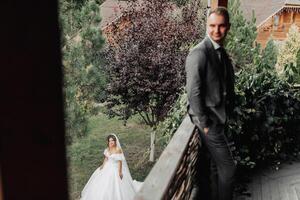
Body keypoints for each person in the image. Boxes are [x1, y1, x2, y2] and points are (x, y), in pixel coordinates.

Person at [185, 7, 236, 200]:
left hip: (219, 119)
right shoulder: (198, 53)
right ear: (207, 26)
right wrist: (204, 124)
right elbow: (193, 91)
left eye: (221, 26)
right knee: (229, 169)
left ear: (228, 27)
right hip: (209, 124)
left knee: (216, 168)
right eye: (212, 26)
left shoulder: (219, 51)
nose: (216, 30)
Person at [80, 134, 143, 200]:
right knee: (101, 182)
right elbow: (106, 158)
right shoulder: (108, 149)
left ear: (115, 141)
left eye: (112, 140)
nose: (111, 142)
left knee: (115, 182)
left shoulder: (118, 150)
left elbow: (120, 162)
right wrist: (103, 165)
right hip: (107, 166)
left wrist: (120, 172)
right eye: (109, 141)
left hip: (115, 168)